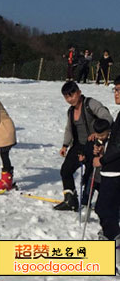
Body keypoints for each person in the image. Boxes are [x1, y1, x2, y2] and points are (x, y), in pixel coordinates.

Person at [55, 81, 112, 211]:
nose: (70, 99)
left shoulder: (90, 104)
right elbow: (69, 129)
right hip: (78, 145)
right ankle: (70, 199)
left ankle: (90, 202)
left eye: (72, 95)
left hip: (94, 145)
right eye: (66, 97)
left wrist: (97, 133)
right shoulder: (70, 111)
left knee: (90, 176)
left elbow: (107, 117)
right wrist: (65, 145)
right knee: (66, 170)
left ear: (79, 92)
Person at [93, 76, 120, 265]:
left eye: (119, 89)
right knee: (110, 209)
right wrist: (104, 147)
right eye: (115, 89)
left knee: (103, 208)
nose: (116, 93)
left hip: (114, 171)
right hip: (112, 169)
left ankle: (114, 242)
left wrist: (101, 159)